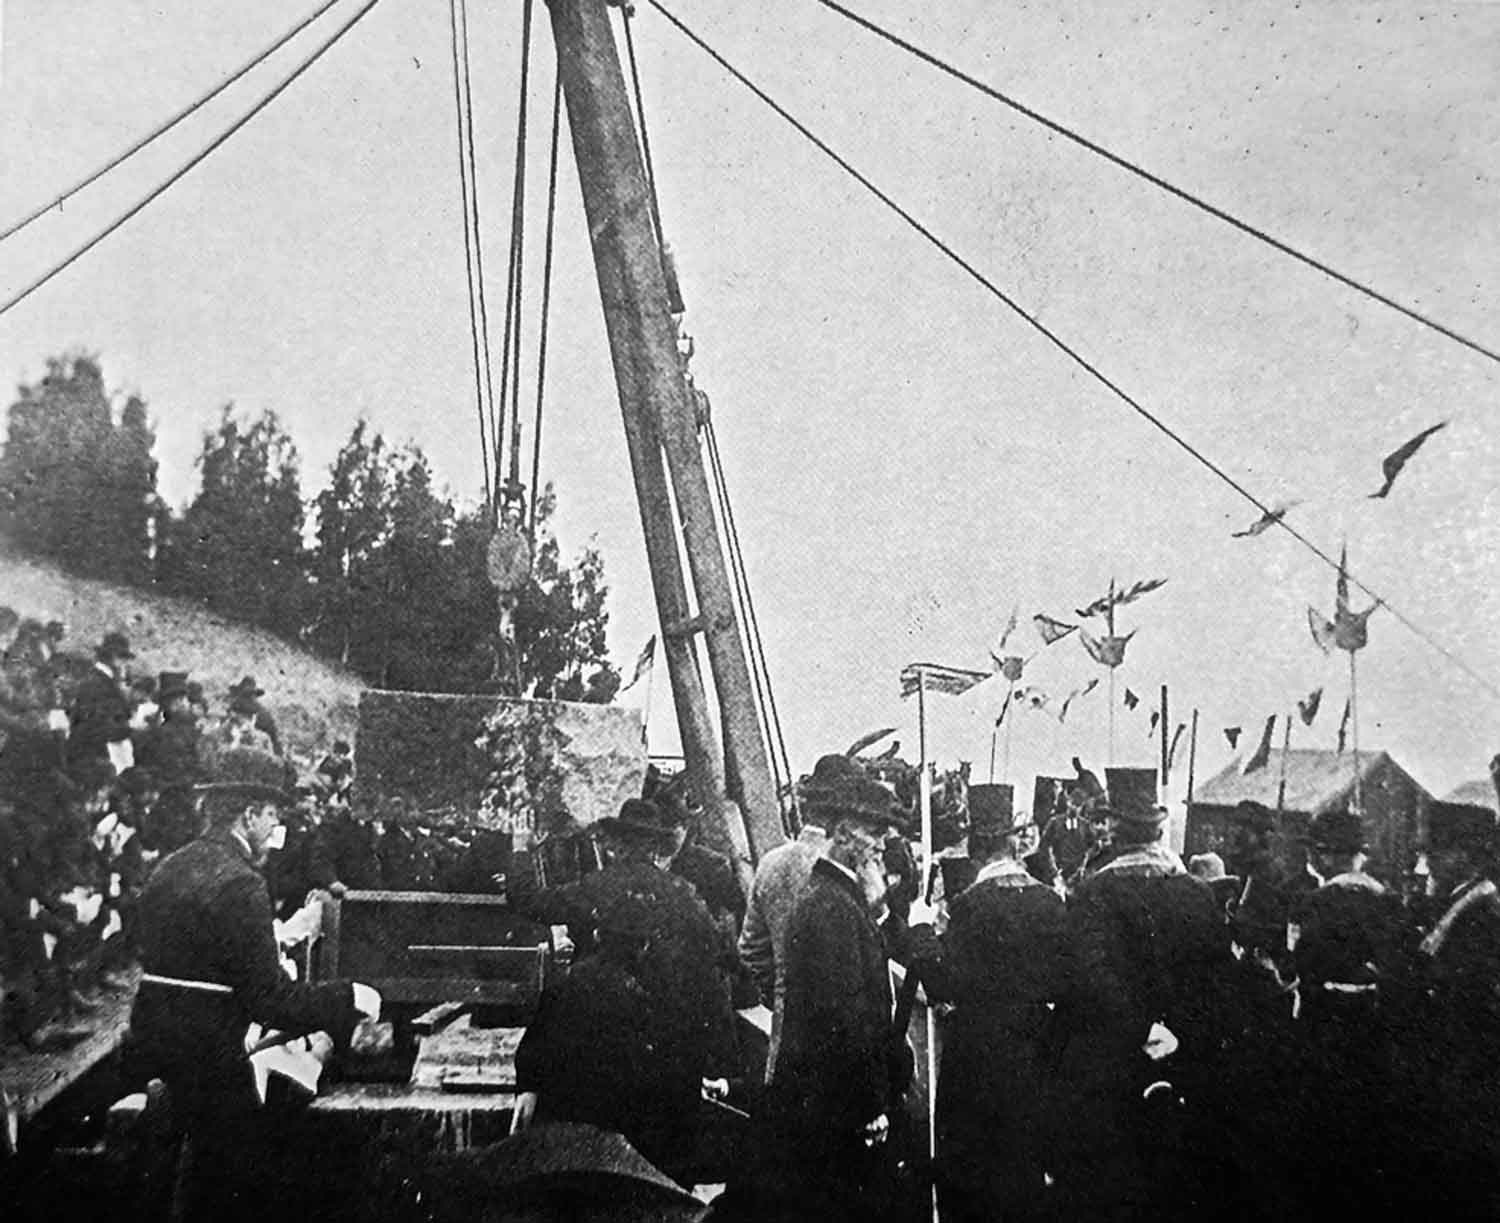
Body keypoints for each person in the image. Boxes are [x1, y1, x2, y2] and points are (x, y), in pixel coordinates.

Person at [127, 747, 375, 1223]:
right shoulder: (242, 884)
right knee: (255, 1170)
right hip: (206, 1055)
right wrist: (348, 996)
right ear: (248, 814)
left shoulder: (168, 868)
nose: (273, 831)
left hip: (152, 1039)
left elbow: (177, 960)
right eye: (270, 817)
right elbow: (271, 1000)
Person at [907, 782, 1075, 1222]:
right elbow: (1064, 982)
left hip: (976, 1060)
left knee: (973, 1177)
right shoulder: (1050, 903)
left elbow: (944, 985)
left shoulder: (968, 906)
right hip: (1035, 1056)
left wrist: (921, 933)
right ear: (1014, 846)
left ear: (976, 850)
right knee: (1024, 1173)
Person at [1063, 768, 1226, 1220]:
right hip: (1185, 1060)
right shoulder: (1196, 893)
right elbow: (1214, 982)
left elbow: (1088, 977)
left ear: (1114, 830)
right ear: (1157, 830)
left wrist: (1142, 1029)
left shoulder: (1095, 893)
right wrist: (1176, 1032)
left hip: (1115, 1061)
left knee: (1116, 1186)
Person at [756, 768, 907, 1221]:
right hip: (837, 1104)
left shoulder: (834, 896)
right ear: (844, 834)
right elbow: (845, 1018)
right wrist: (868, 1104)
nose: (882, 844)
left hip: (825, 1098)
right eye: (875, 833)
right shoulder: (831, 906)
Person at [1288, 806, 1410, 1215]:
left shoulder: (1316, 903)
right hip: (1374, 1040)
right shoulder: (1391, 902)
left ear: (1322, 856)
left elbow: (1300, 967)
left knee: (1322, 1140)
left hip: (1323, 1035)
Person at [1403, 800, 1500, 1213]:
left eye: (1436, 854)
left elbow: (1468, 991)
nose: (1429, 865)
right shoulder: (1463, 904)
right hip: (1450, 1061)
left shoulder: (1485, 914)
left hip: (1466, 1066)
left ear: (1469, 856)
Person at [736, 755, 846, 1083]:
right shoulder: (845, 872)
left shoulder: (771, 864)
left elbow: (750, 952)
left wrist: (780, 992)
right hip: (843, 1037)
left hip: (786, 1028)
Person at [136, 671, 204, 852]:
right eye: (183, 700)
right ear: (174, 704)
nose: (187, 705)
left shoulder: (156, 733)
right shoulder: (179, 734)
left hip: (168, 802)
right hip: (179, 802)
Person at [67, 631, 135, 777]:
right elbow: (100, 726)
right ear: (114, 658)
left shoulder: (100, 680)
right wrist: (132, 729)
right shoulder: (99, 684)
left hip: (93, 753)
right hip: (93, 757)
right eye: (123, 659)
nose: (125, 665)